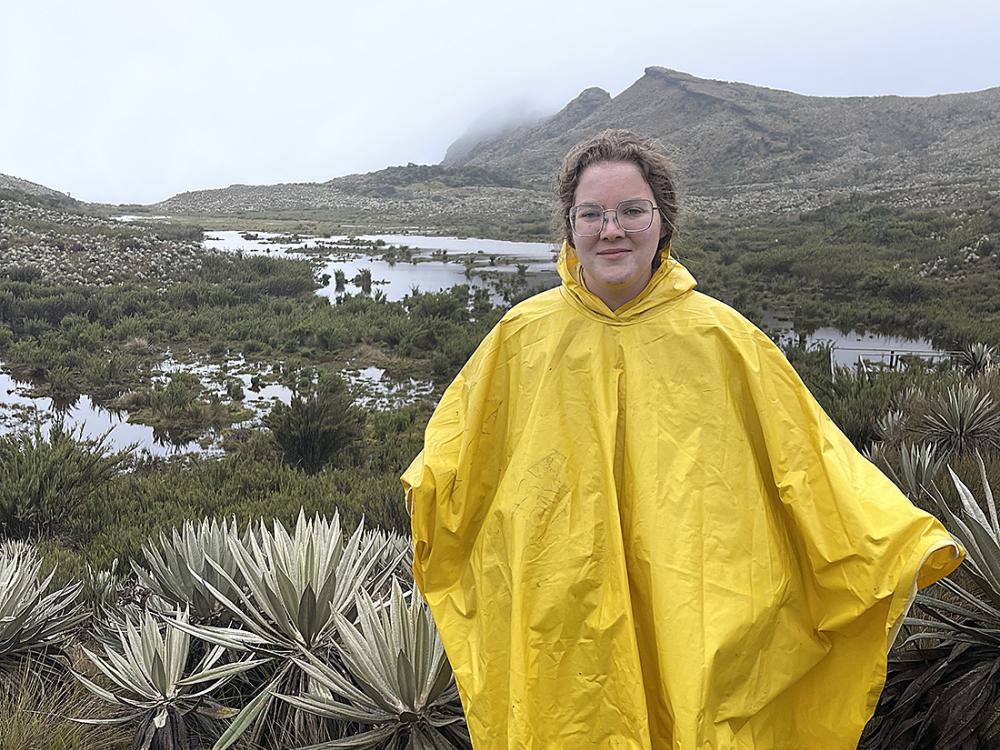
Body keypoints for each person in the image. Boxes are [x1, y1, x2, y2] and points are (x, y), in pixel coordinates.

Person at [401, 130, 963, 749]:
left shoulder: (721, 337)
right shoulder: (521, 337)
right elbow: (455, 464)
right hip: (559, 613)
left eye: (631, 211)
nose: (610, 229)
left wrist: (898, 545)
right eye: (591, 214)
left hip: (694, 604)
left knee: (692, 719)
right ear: (570, 227)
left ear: (662, 222)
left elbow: (813, 462)